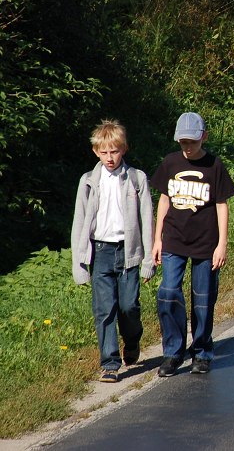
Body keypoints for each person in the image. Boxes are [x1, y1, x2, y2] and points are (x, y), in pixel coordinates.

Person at [151, 112, 234, 377]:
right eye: (183, 142)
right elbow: (164, 200)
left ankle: (201, 352)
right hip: (174, 239)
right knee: (167, 292)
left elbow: (222, 205)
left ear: (204, 137)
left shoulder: (214, 165)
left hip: (206, 242)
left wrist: (222, 243)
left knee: (203, 299)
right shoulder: (170, 162)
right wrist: (157, 239)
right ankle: (173, 352)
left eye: (193, 142)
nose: (187, 147)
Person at [71, 120, 155, 383]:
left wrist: (149, 259)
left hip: (128, 251)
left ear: (124, 150)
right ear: (96, 151)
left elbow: (147, 220)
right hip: (101, 252)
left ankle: (132, 341)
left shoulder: (136, 179)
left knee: (129, 307)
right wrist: (79, 263)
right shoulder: (88, 182)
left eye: (114, 152)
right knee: (104, 309)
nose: (110, 158)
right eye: (104, 152)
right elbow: (79, 223)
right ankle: (109, 363)